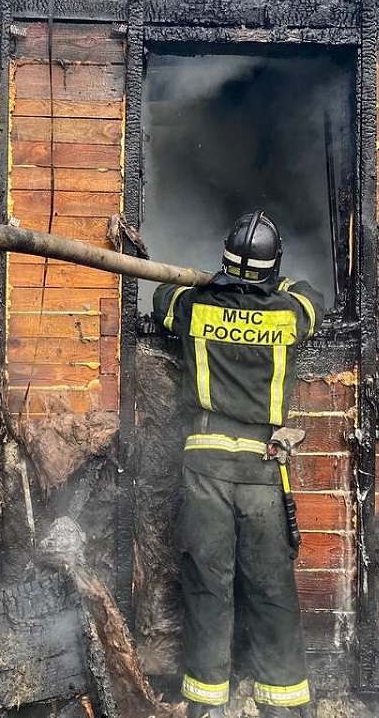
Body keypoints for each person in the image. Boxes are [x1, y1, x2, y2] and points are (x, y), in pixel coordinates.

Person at [152, 212, 323, 718]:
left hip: (204, 465)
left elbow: (162, 298)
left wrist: (213, 282)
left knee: (208, 584)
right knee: (271, 587)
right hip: (262, 471)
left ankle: (205, 703)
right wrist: (274, 287)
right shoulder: (289, 313)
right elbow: (313, 297)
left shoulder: (195, 305)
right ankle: (285, 704)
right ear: (274, 270)